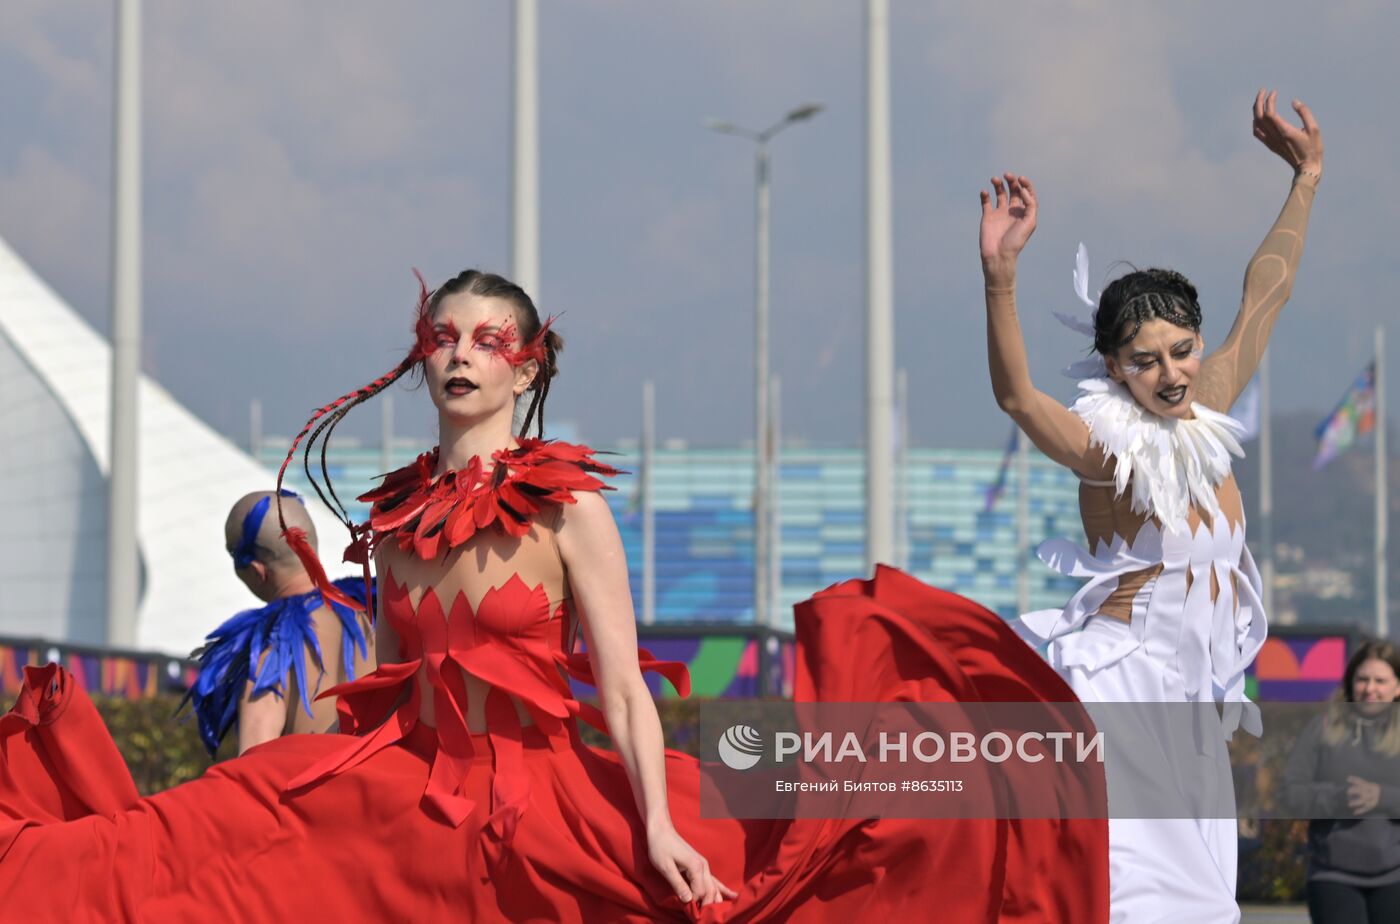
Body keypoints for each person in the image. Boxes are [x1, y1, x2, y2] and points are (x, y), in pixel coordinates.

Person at [0, 267, 1107, 921]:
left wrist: (664, 825)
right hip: (394, 792)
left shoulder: (567, 509)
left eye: (488, 342)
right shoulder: (387, 522)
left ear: (525, 368)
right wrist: (283, 777)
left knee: (781, 874)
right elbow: (375, 691)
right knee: (149, 862)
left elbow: (622, 690)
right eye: (443, 338)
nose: (461, 357)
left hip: (542, 805)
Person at [980, 88, 1322, 923]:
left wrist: (1306, 177)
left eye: (1181, 349)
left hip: (1193, 708)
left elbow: (1265, 296)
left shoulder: (1205, 400)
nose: (1170, 373)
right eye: (1144, 361)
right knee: (1145, 902)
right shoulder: (1109, 450)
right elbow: (1022, 401)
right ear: (1111, 366)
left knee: (1206, 907)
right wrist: (1000, 281)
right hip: (1121, 688)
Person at [180, 489, 375, 757]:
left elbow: (253, 764)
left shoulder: (270, 645)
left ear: (257, 571)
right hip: (399, 790)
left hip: (320, 794)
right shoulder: (379, 608)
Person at [1282, 641, 1400, 923]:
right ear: (1350, 682)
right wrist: (1338, 798)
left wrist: (1382, 797)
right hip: (1332, 875)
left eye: (1380, 681)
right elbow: (1290, 794)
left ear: (1397, 687)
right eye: (1362, 679)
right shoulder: (1322, 729)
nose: (1370, 688)